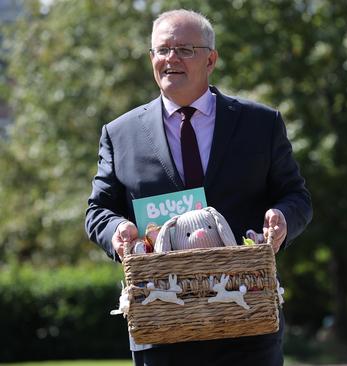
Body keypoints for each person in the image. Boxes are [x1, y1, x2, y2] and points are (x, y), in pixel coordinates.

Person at [84, 9, 312, 366]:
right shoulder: (120, 133)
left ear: (211, 59)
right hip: (161, 321)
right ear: (151, 59)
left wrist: (282, 218)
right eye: (162, 50)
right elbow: (98, 211)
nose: (171, 59)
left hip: (247, 316)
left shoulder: (261, 124)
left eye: (185, 50)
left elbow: (296, 196)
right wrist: (117, 232)